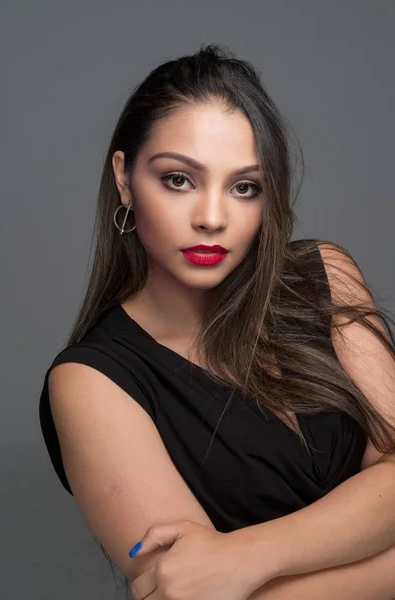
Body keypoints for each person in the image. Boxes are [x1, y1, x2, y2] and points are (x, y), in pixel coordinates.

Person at [39, 44, 395, 599]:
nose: (212, 218)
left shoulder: (324, 276)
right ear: (126, 178)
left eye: (244, 187)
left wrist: (248, 554)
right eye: (179, 180)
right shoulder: (91, 382)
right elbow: (192, 592)